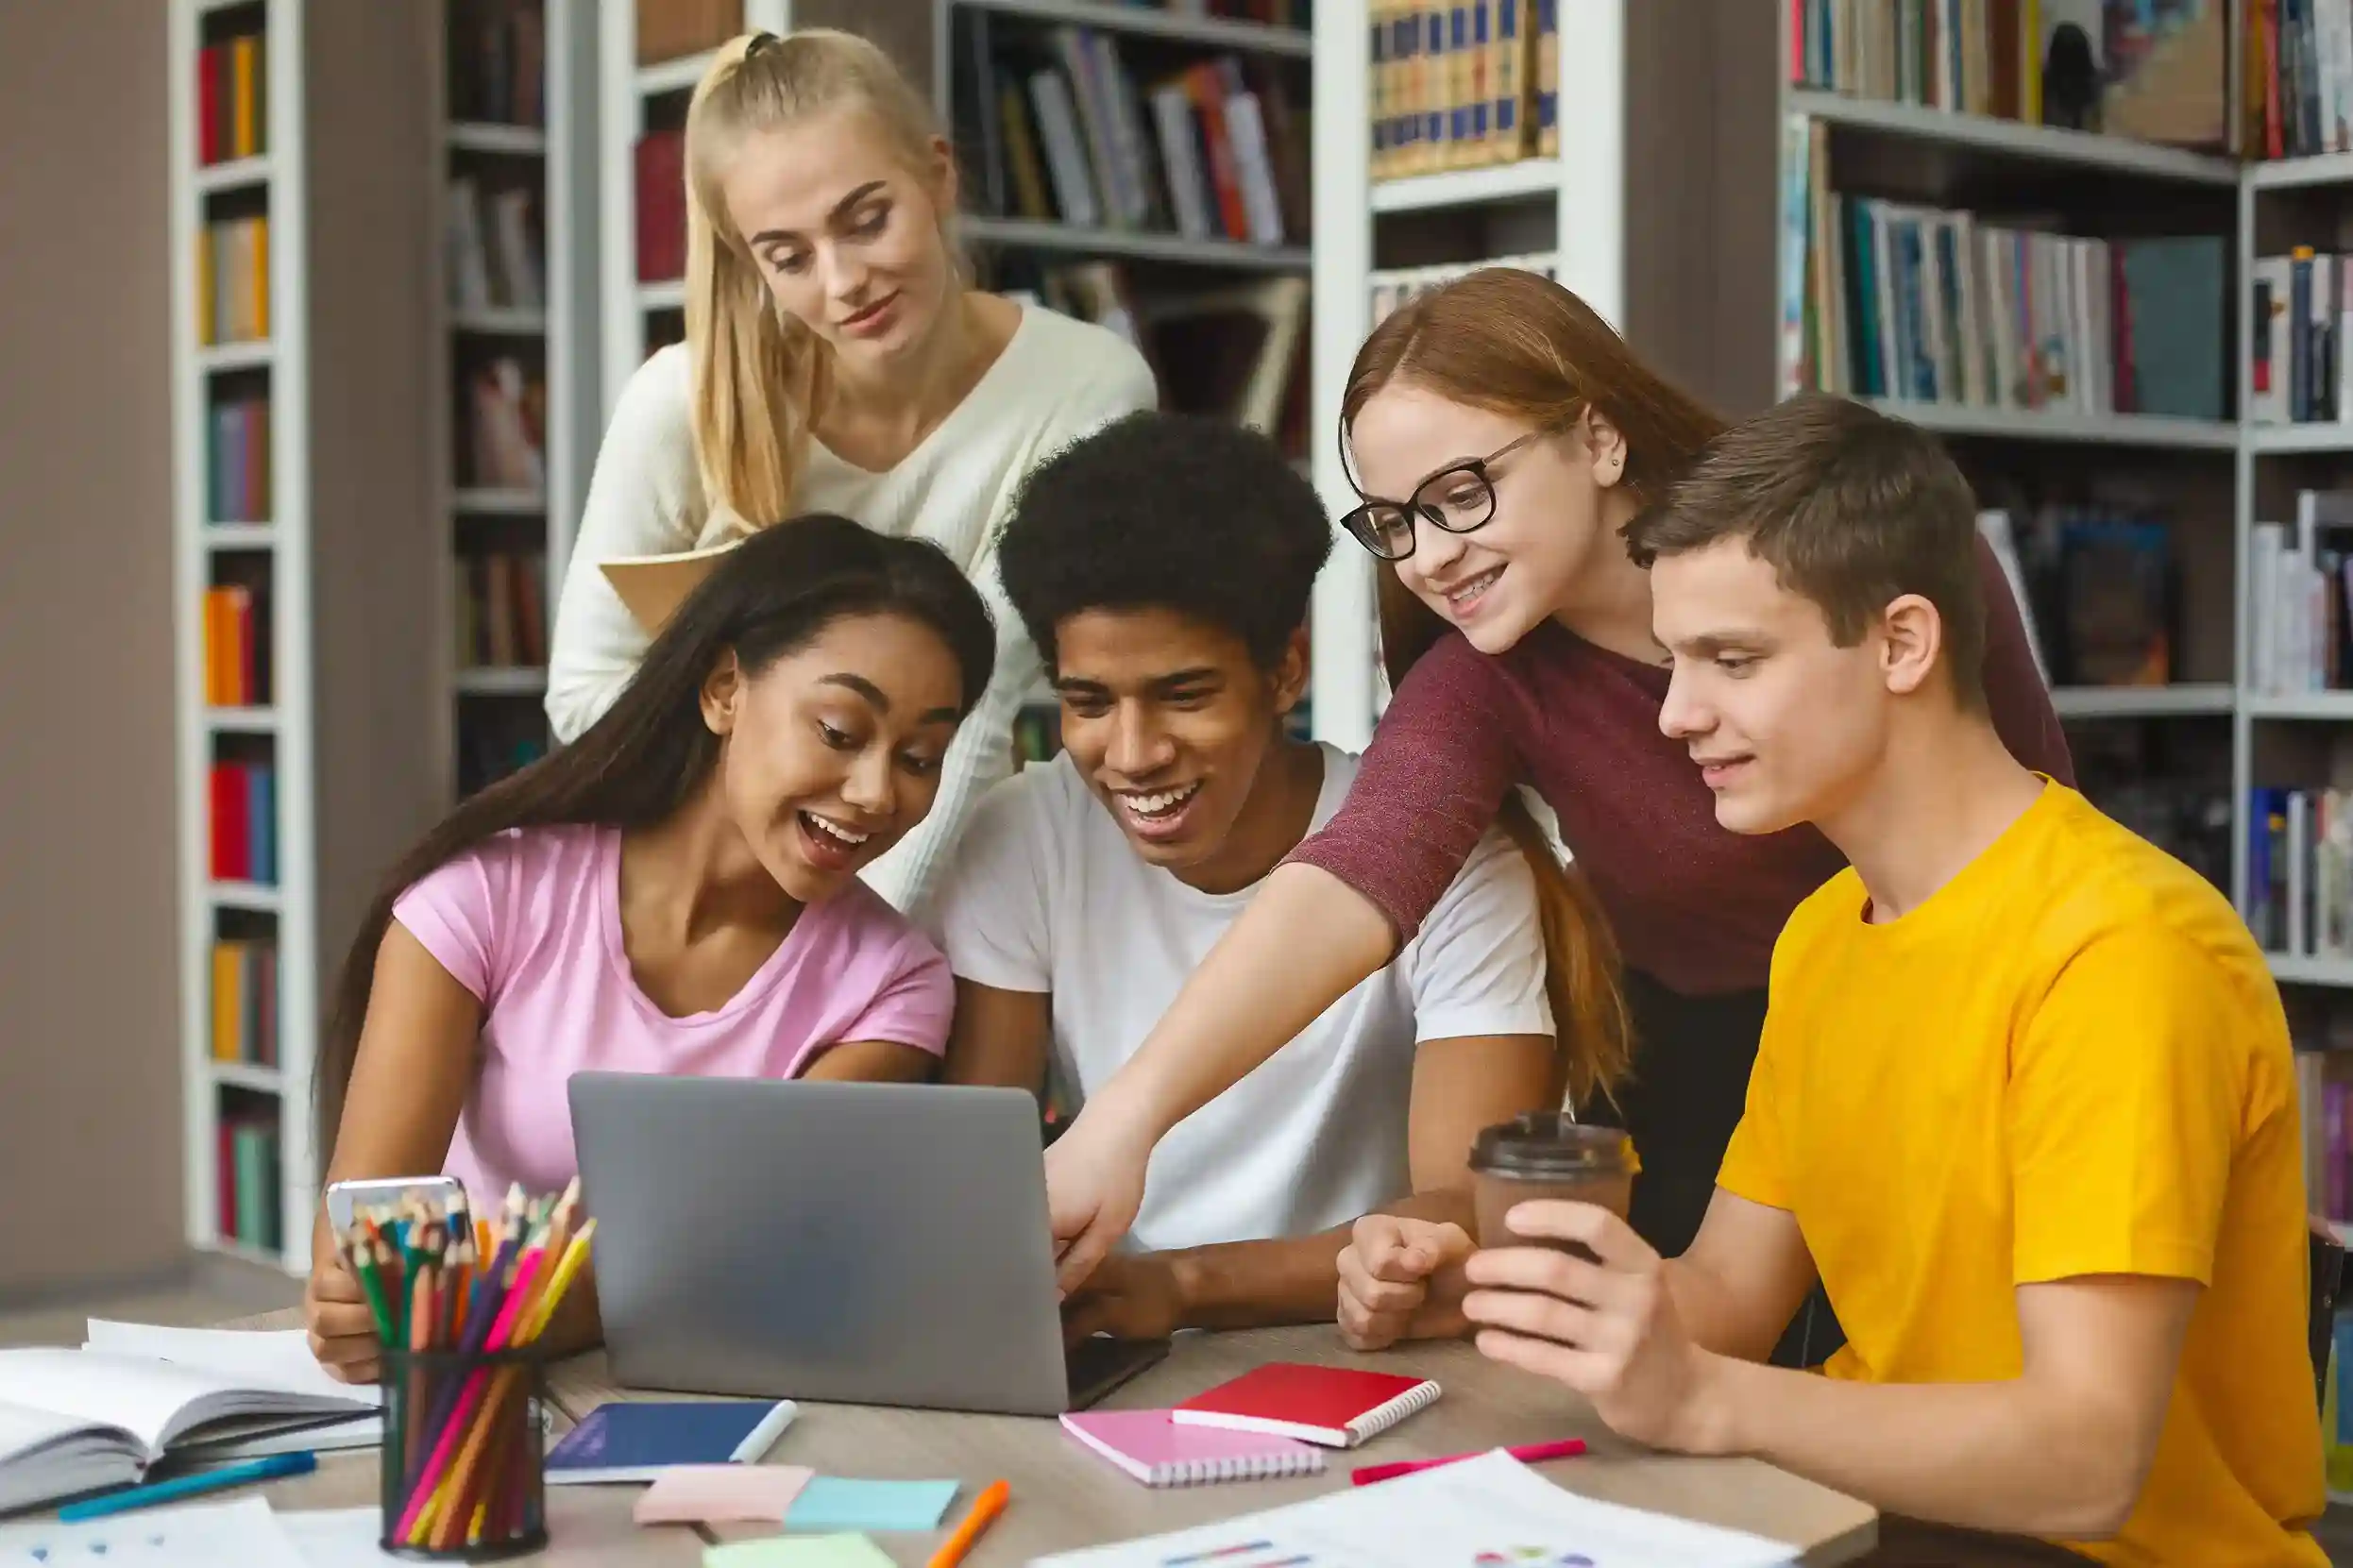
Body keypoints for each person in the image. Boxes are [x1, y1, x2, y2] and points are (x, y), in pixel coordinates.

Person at [1347, 396, 2325, 1565]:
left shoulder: (2120, 953)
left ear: (1902, 643)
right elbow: (1718, 1293)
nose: (1675, 714)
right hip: (1875, 1528)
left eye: (1733, 660)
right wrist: (1516, 1288)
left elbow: (2083, 1461)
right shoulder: (1824, 930)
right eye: (1674, 660)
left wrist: (1704, 1400)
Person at [1039, 270, 2077, 1341]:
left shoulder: (1851, 548)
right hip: (1702, 1059)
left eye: (1458, 494)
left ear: (1597, 438)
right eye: (1395, 521)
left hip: (1960, 1013)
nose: (1431, 555)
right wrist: (1121, 1124)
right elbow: (1357, 872)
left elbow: (2029, 810)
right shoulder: (1486, 674)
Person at [923, 412, 1595, 1340]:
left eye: (1182, 694)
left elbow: (1475, 1212)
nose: (1132, 753)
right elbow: (971, 1183)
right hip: (1106, 1343)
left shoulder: (1450, 856)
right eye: (1086, 702)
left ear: (1284, 671)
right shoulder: (1022, 838)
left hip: (1354, 1349)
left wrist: (1184, 1285)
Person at [305, 516, 997, 1384]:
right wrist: (353, 1306)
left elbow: (734, 1259)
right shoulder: (483, 895)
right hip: (459, 1402)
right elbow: (368, 1240)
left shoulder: (894, 987)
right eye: (840, 730)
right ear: (723, 691)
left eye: (921, 757)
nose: (875, 793)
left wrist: (470, 1305)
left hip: (705, 1393)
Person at [546, 28, 1158, 913]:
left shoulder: (1089, 388)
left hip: (940, 885)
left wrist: (852, 956)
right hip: (712, 889)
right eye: (788, 257)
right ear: (752, 263)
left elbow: (977, 715)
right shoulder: (680, 399)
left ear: (938, 176)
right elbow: (586, 699)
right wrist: (774, 857)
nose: (844, 283)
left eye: (868, 220)